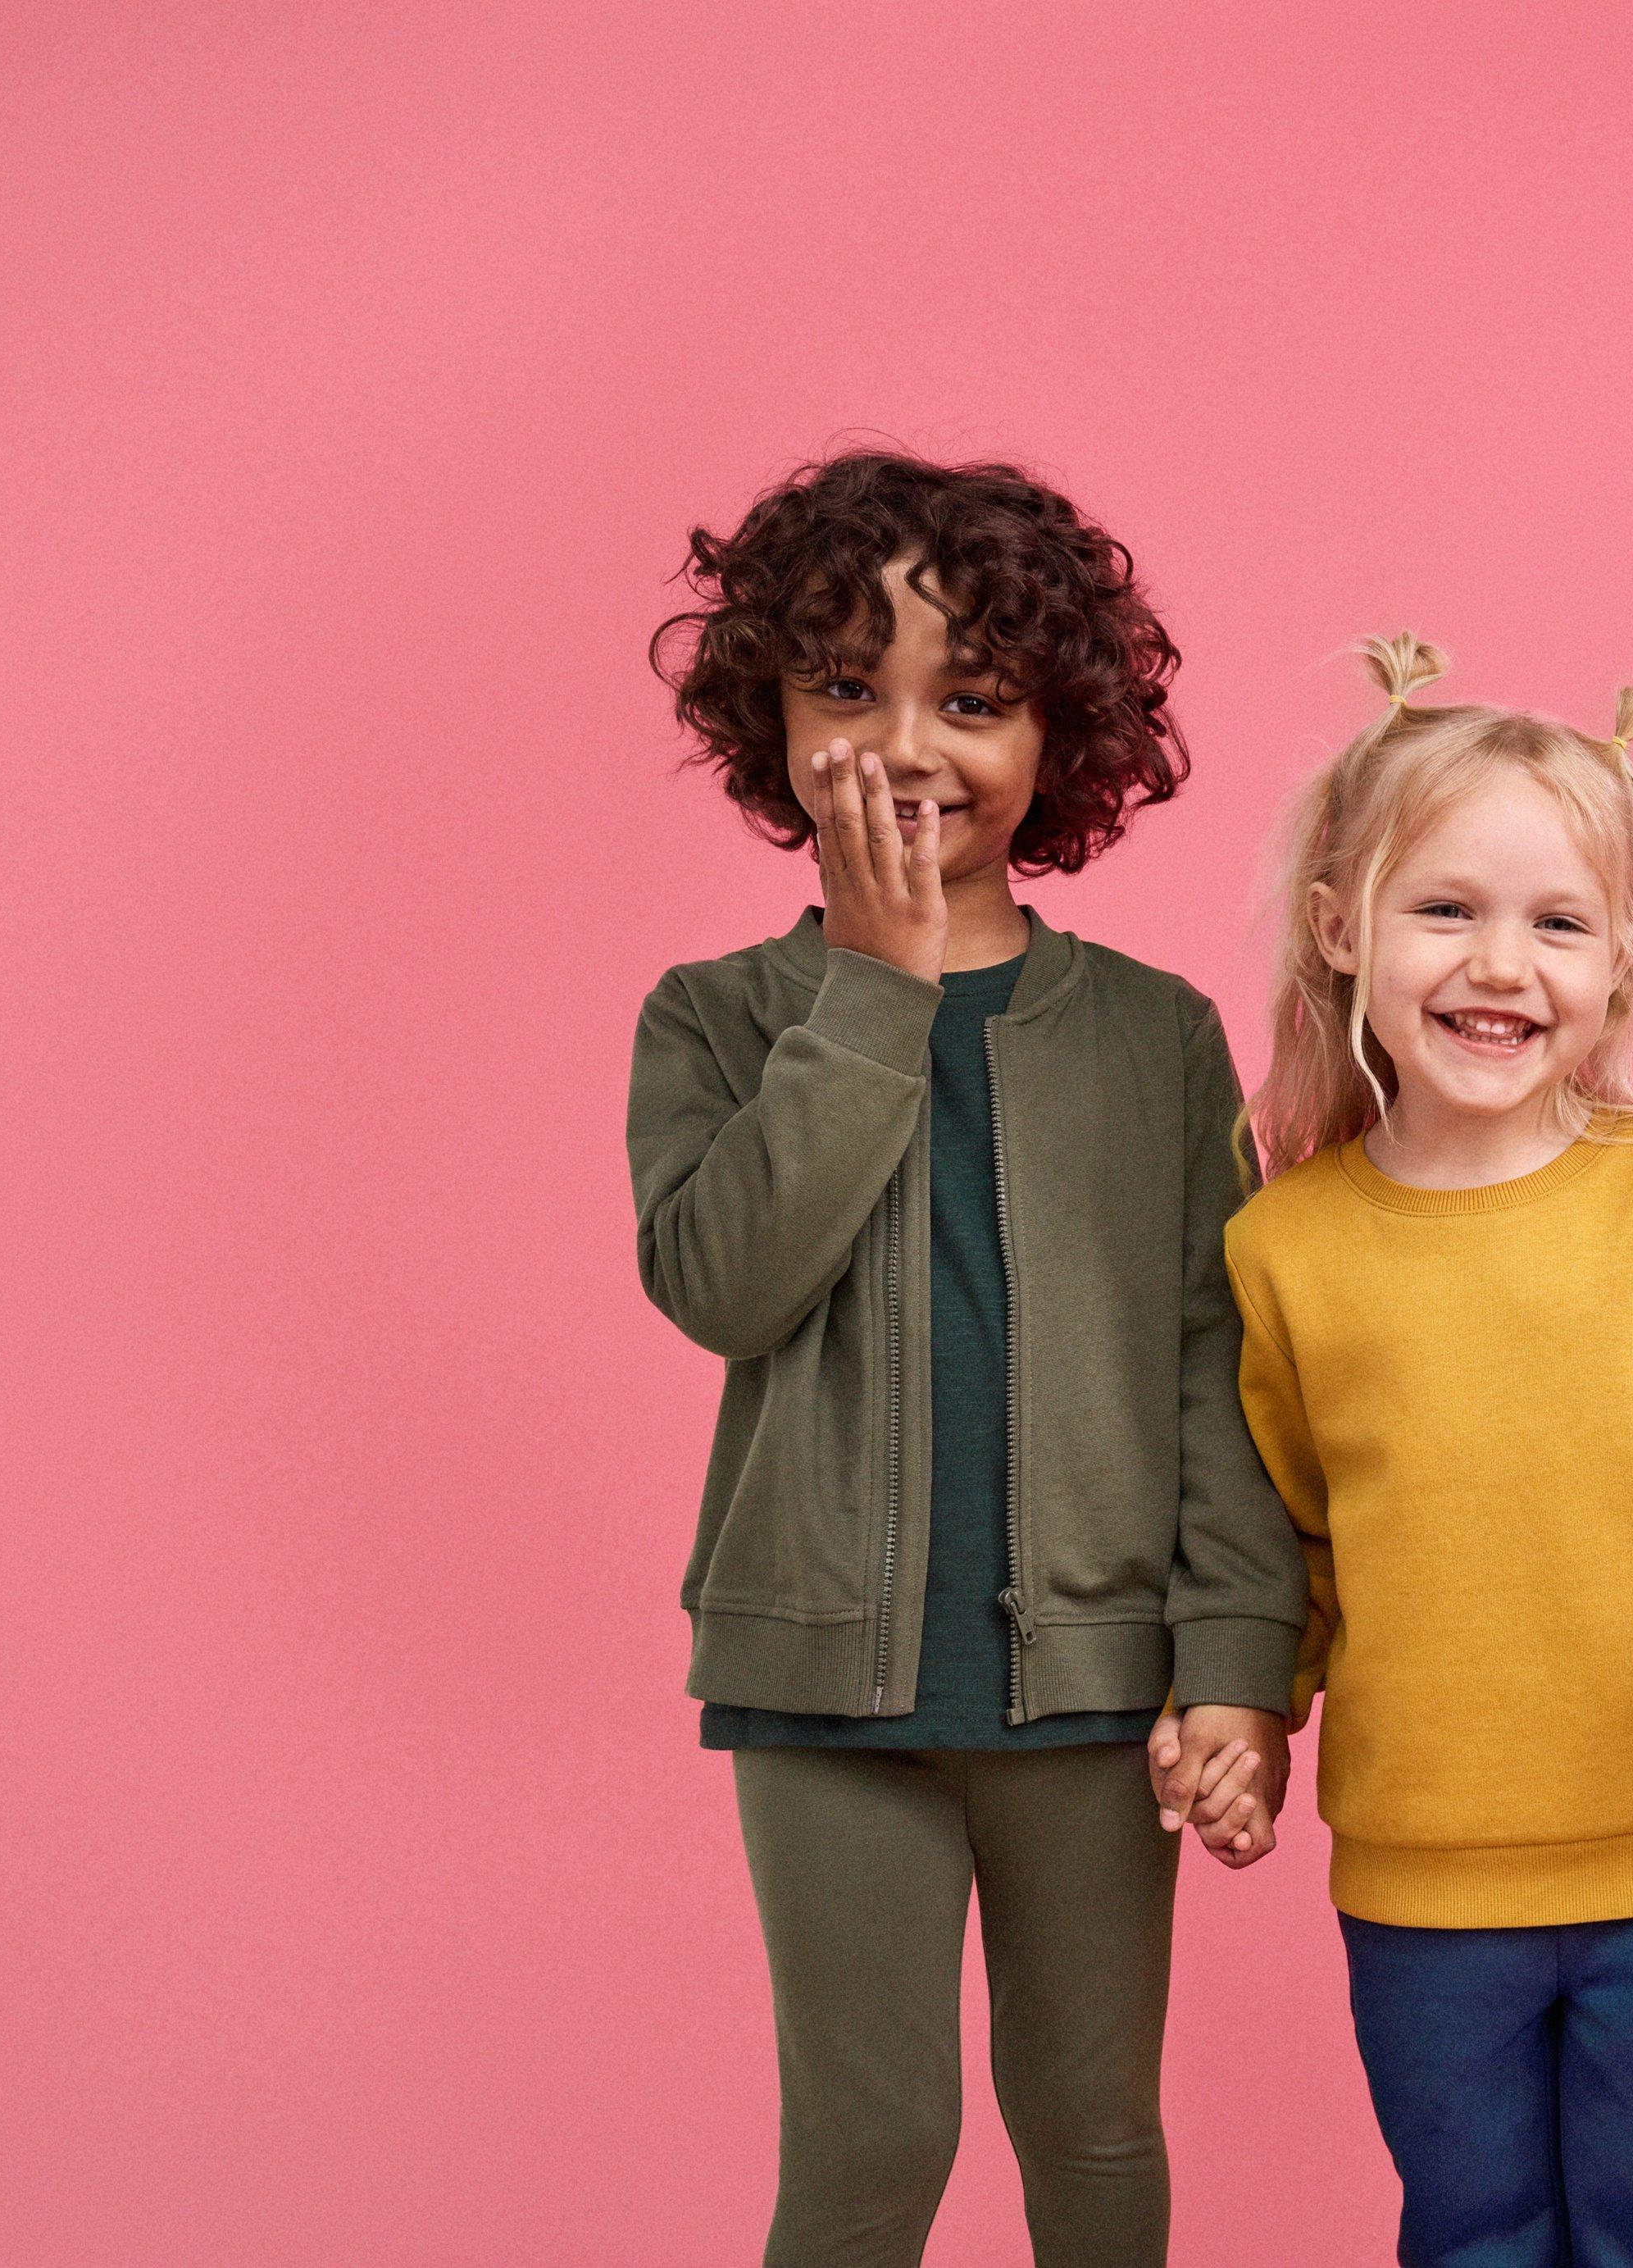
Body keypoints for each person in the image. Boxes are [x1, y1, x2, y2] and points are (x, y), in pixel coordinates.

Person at [626, 451, 1306, 2265]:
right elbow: (723, 1282)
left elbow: (1218, 1375)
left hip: (1093, 1699)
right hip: (822, 1702)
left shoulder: (1156, 1043)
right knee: (869, 2156)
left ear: (1054, 736)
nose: (908, 745)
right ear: (767, 712)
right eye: (847, 687)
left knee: (1093, 2143)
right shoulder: (716, 1018)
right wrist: (876, 984)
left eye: (974, 701)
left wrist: (1240, 1660)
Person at [1224, 634, 1633, 2268]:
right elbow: (1279, 1539)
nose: (1499, 963)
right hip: (1422, 1878)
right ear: (1339, 930)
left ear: (1622, 963)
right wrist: (1237, 1708)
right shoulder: (1283, 1248)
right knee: (1475, 2231)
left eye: (1557, 923)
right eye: (1445, 909)